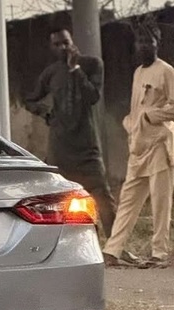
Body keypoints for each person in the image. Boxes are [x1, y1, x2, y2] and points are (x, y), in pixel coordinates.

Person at [24, 26, 117, 240]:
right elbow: (30, 99)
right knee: (59, 197)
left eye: (65, 42)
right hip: (60, 145)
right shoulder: (51, 72)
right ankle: (71, 242)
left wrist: (76, 69)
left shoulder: (92, 64)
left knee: (102, 194)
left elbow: (93, 96)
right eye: (57, 44)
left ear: (72, 41)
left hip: (87, 145)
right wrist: (47, 113)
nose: (62, 47)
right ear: (52, 48)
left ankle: (114, 246)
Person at [103, 24, 174, 269]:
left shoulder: (166, 71)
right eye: (140, 41)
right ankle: (113, 250)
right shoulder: (138, 72)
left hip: (159, 145)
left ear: (157, 42)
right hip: (138, 146)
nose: (144, 45)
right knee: (128, 199)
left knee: (160, 202)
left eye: (149, 41)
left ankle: (159, 254)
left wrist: (149, 116)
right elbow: (136, 107)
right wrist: (131, 123)